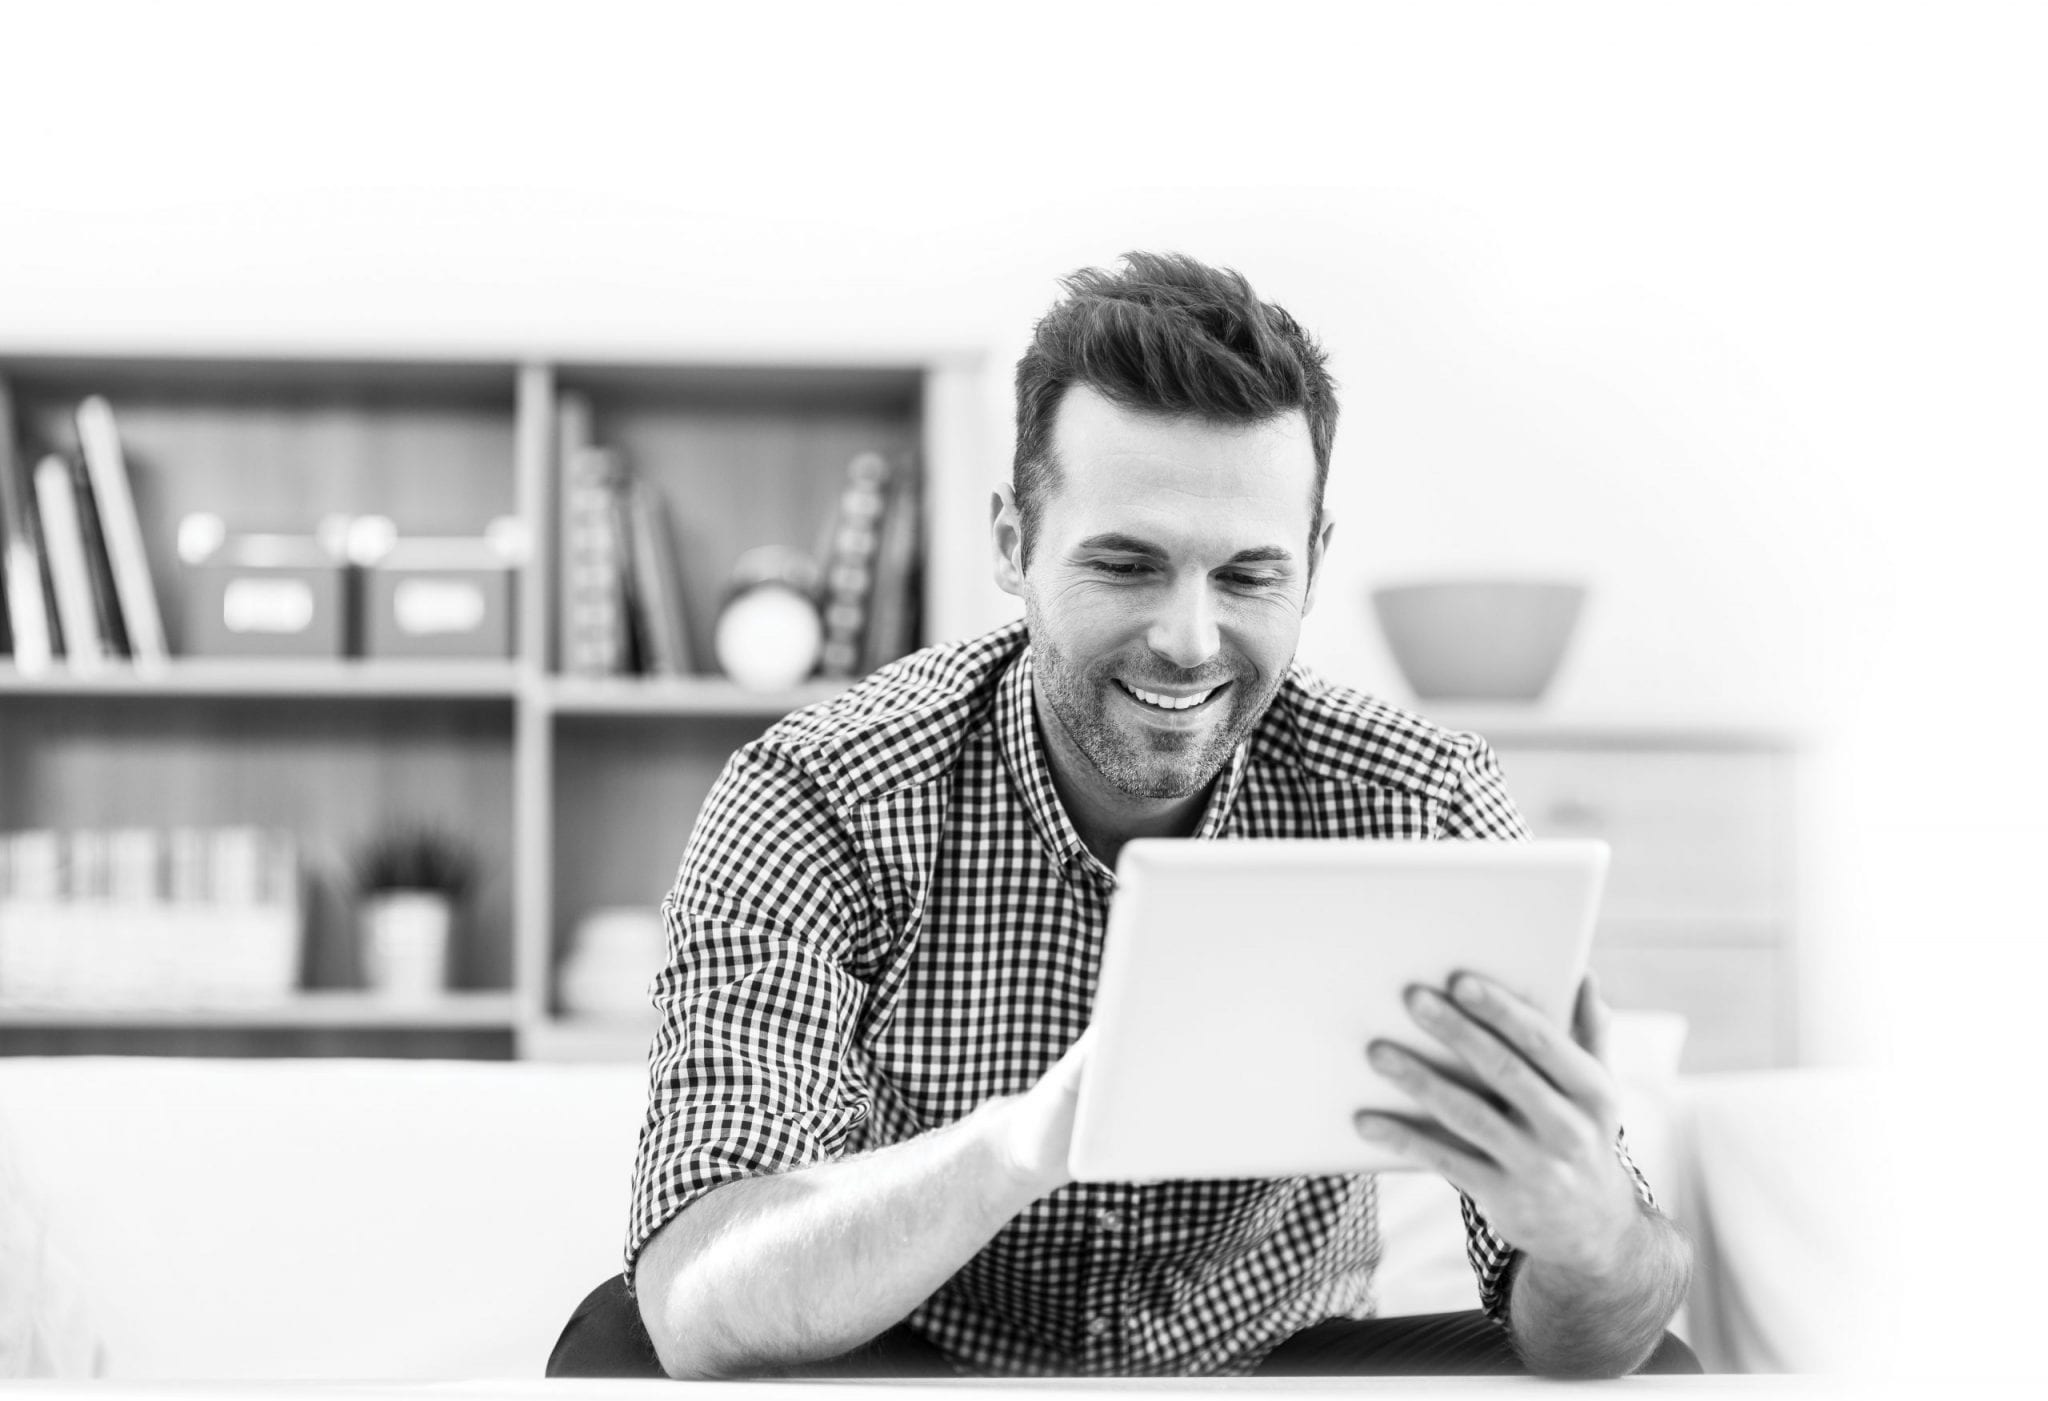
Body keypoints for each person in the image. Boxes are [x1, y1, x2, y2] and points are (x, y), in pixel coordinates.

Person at [548, 252, 1697, 1380]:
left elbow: (1593, 1333)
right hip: (914, 1364)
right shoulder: (822, 794)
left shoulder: (1418, 800)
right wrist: (1028, 1140)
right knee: (620, 1353)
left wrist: (1589, 1226)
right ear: (1013, 543)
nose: (1190, 640)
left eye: (1247, 575)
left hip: (1273, 1364)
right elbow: (693, 1301)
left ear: (1312, 561)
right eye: (1128, 564)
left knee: (1654, 1374)